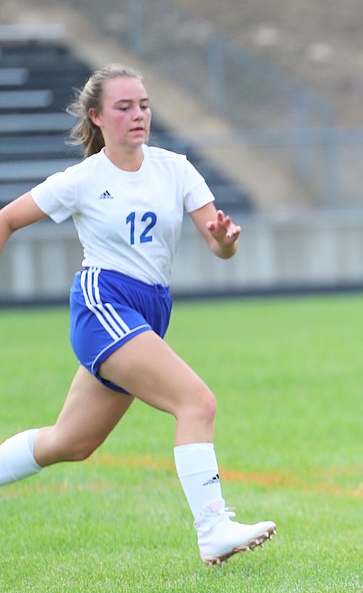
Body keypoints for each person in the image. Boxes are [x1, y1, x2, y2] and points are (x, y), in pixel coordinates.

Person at [0, 64, 275, 565]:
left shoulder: (176, 168)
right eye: (124, 107)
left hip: (149, 308)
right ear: (97, 117)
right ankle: (213, 527)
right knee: (196, 402)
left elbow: (219, 246)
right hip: (103, 303)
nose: (138, 115)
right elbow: (7, 219)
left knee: (72, 442)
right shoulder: (81, 180)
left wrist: (224, 243)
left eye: (144, 105)